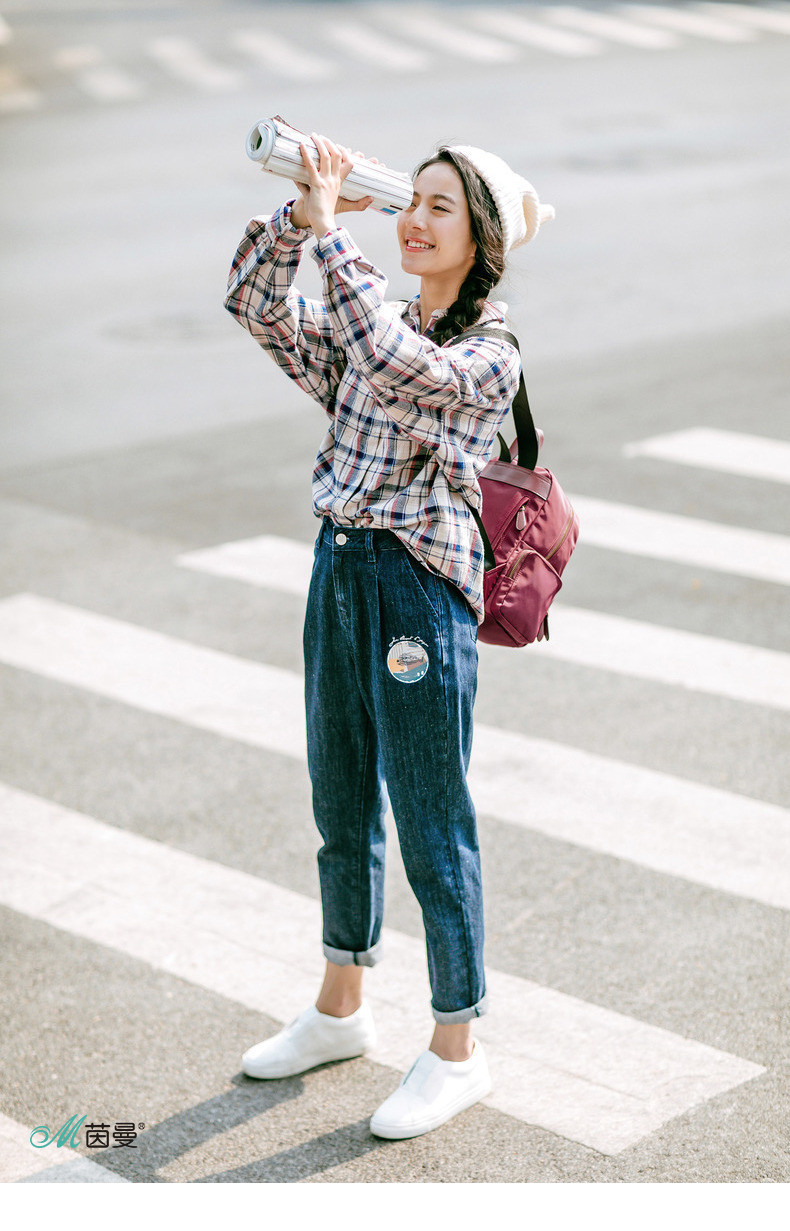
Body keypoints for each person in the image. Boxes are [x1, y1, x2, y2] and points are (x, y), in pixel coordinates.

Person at [224, 132, 553, 1139]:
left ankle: (457, 1047)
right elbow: (254, 303)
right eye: (411, 200)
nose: (413, 219)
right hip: (339, 569)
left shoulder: (486, 358)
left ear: (483, 240)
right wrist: (299, 218)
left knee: (430, 817)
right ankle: (340, 1007)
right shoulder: (380, 318)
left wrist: (334, 240)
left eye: (439, 207)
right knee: (339, 797)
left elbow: (395, 364)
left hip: (416, 593)